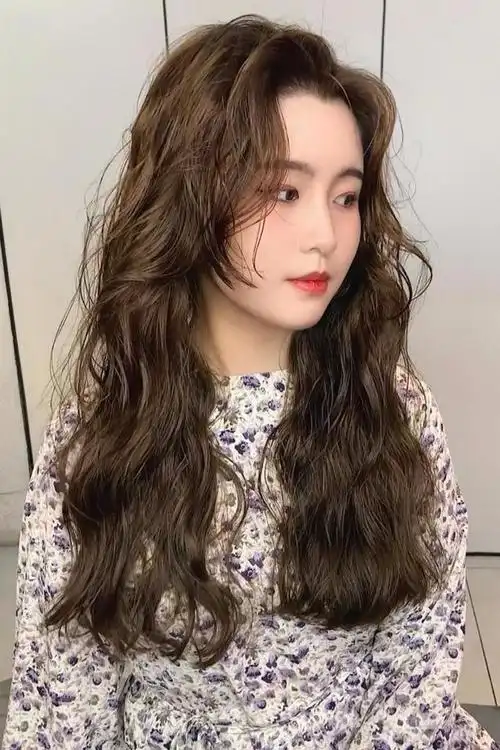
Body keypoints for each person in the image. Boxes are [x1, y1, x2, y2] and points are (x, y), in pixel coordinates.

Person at [2, 14, 497, 750]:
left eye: (346, 196)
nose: (325, 236)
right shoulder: (109, 424)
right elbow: (62, 692)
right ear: (191, 196)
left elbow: (420, 655)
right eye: (283, 192)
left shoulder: (384, 397)